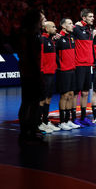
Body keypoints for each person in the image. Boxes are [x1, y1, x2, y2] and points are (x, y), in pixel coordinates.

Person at [18, 9, 47, 143]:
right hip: (31, 74)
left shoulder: (27, 34)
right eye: (41, 19)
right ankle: (30, 130)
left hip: (27, 73)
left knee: (27, 103)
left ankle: (28, 130)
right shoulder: (30, 35)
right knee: (32, 103)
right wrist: (38, 75)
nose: (43, 21)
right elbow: (32, 57)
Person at [56, 18, 80, 130]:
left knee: (71, 94)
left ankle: (68, 120)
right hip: (63, 71)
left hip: (72, 70)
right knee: (64, 95)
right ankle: (62, 122)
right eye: (70, 23)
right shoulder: (58, 38)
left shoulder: (71, 37)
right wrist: (59, 66)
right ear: (63, 26)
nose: (72, 25)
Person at [73, 9, 95, 127]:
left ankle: (83, 117)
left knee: (86, 92)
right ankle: (73, 118)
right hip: (79, 64)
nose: (93, 18)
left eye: (93, 16)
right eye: (90, 16)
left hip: (88, 65)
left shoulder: (90, 30)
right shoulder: (76, 28)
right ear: (84, 17)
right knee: (76, 93)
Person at [38, 21, 61, 134]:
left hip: (52, 73)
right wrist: (41, 73)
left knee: (48, 98)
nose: (55, 28)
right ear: (46, 29)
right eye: (53, 27)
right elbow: (40, 58)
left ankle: (45, 121)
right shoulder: (42, 40)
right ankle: (39, 123)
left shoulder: (51, 40)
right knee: (42, 99)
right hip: (44, 74)